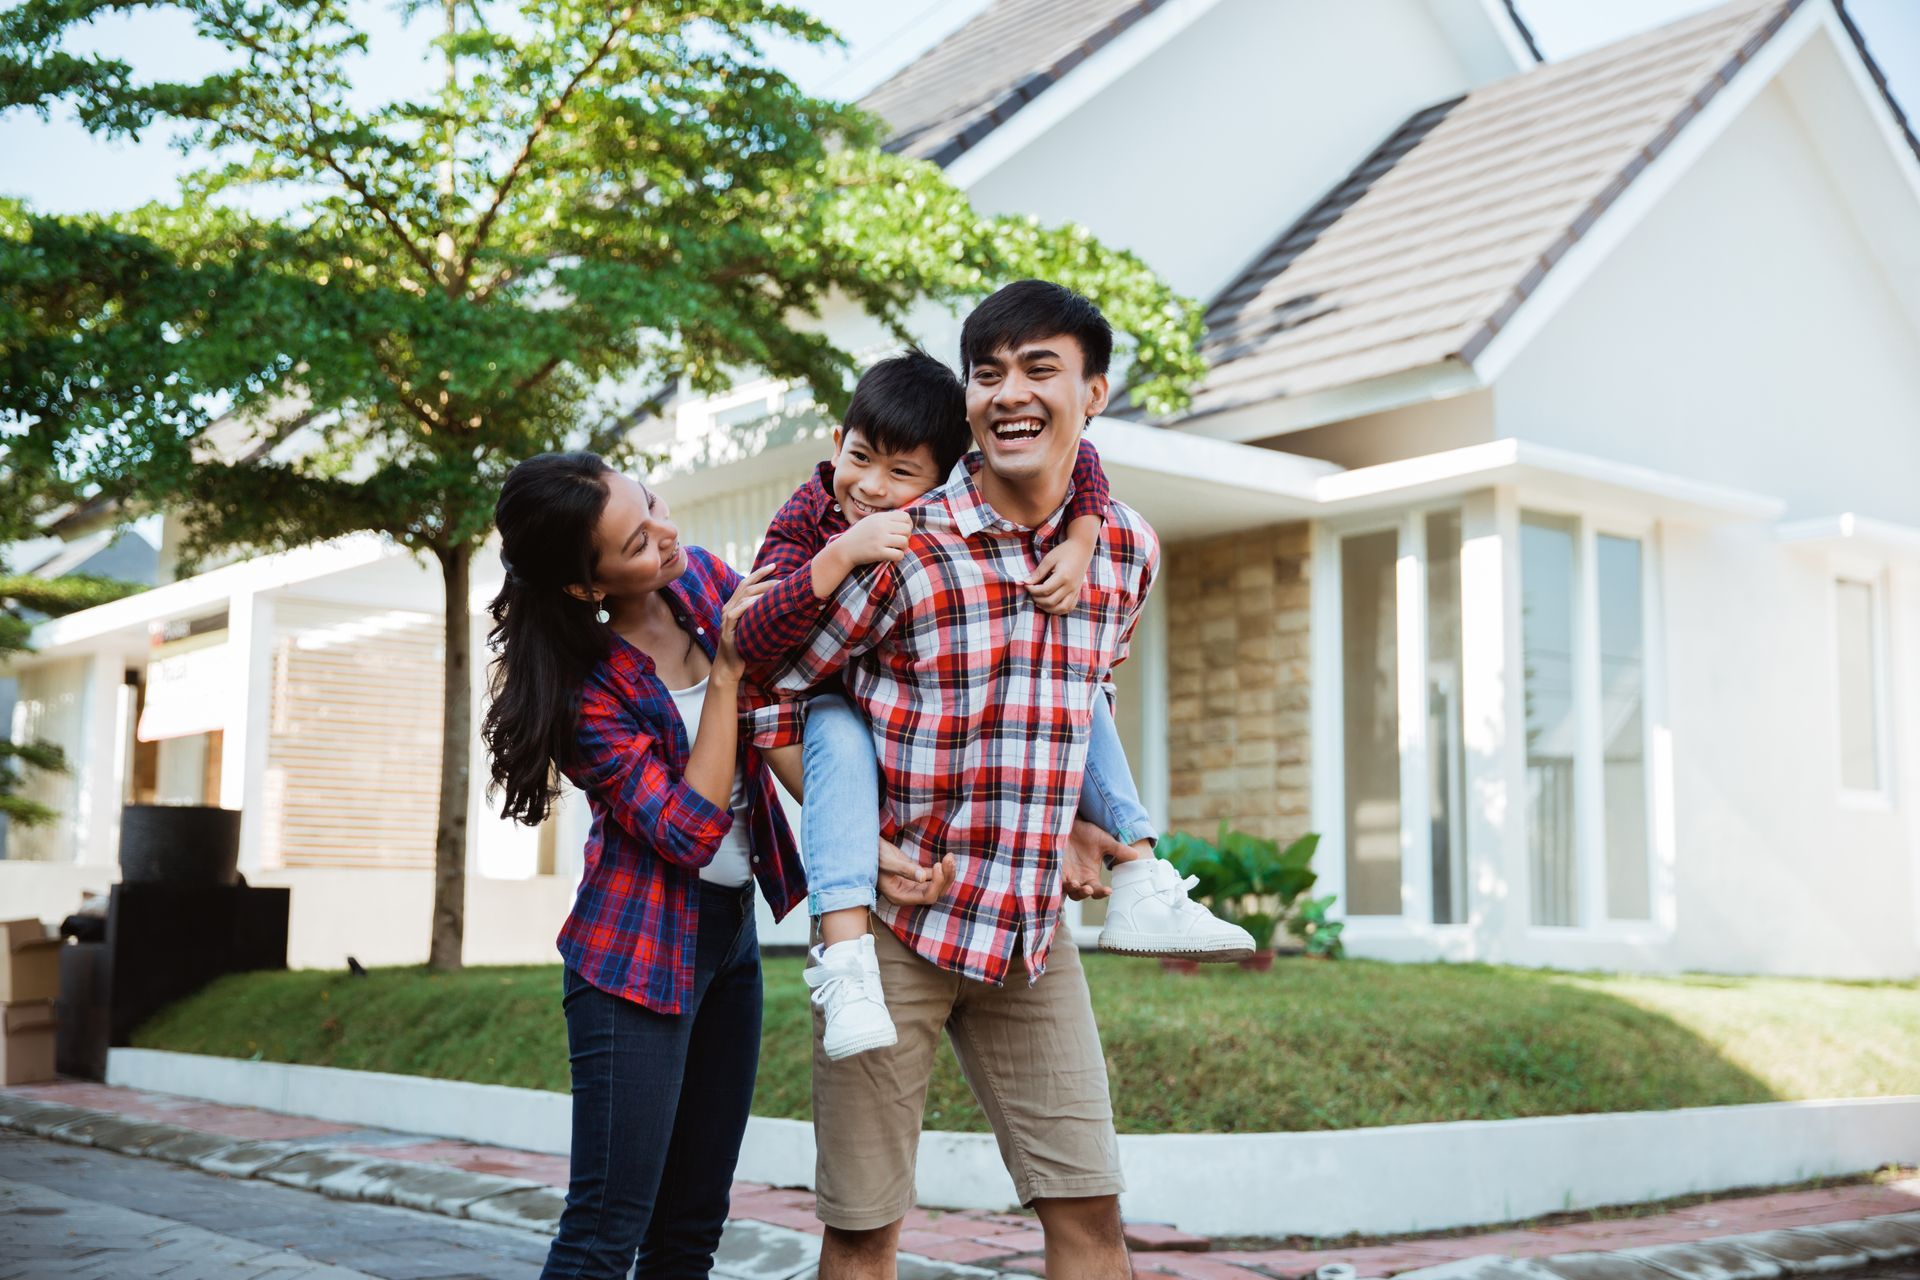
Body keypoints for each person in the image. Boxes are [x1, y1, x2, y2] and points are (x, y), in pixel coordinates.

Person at [752, 280, 1215, 1278]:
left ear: (1092, 393)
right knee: (866, 1230)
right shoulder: (902, 541)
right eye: (988, 372)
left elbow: (1085, 690)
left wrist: (1085, 820)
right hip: (892, 930)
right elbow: (767, 693)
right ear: (965, 402)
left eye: (1039, 368)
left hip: (1026, 927)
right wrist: (853, 842)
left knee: (1092, 1214)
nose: (1010, 391)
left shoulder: (1124, 546)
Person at [735, 348, 1249, 1063]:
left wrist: (1083, 533)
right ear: (836, 445)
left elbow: (1085, 464)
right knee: (842, 737)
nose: (873, 488)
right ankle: (845, 961)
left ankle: (1138, 870)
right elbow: (753, 651)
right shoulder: (815, 512)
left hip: (988, 859)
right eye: (861, 459)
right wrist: (841, 553)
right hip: (831, 714)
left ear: (945, 476)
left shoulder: (970, 526)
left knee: (1083, 685)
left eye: (903, 473)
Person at [481, 452, 807, 1277]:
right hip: (635, 962)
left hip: (729, 940)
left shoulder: (697, 580)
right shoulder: (586, 694)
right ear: (588, 587)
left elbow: (791, 652)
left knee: (693, 1225)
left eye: (652, 505)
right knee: (604, 1233)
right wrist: (728, 672)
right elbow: (693, 830)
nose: (665, 536)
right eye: (634, 543)